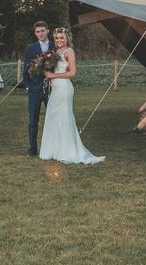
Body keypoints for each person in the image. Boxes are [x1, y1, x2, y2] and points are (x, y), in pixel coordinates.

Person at [38, 28, 105, 164]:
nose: (59, 40)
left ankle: (67, 151)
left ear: (67, 38)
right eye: (57, 38)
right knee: (54, 116)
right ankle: (55, 150)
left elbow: (72, 73)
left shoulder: (70, 52)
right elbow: (51, 69)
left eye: (61, 38)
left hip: (64, 88)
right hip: (55, 88)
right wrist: (46, 75)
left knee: (64, 116)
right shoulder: (55, 52)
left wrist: (53, 75)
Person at [22, 21, 52, 156]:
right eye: (37, 31)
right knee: (33, 120)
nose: (40, 33)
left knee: (53, 118)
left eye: (42, 30)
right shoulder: (31, 48)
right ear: (35, 34)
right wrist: (28, 86)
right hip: (35, 89)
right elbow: (26, 69)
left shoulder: (55, 46)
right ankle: (32, 149)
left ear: (47, 31)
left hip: (51, 88)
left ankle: (52, 148)